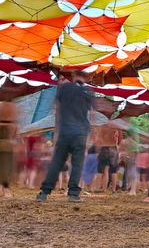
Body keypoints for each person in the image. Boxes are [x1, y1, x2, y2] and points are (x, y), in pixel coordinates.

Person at [36, 71, 96, 203]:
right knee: (77, 164)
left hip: (65, 130)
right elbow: (92, 115)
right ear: (85, 78)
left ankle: (44, 193)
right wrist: (89, 136)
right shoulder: (88, 91)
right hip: (80, 133)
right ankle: (73, 194)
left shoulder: (64, 88)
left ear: (73, 77)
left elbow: (56, 110)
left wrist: (56, 133)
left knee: (57, 162)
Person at [95, 121, 122, 193]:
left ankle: (99, 188)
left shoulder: (103, 126)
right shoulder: (117, 127)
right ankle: (113, 190)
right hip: (114, 149)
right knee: (114, 171)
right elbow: (120, 141)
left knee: (101, 170)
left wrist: (97, 152)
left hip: (104, 148)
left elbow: (99, 140)